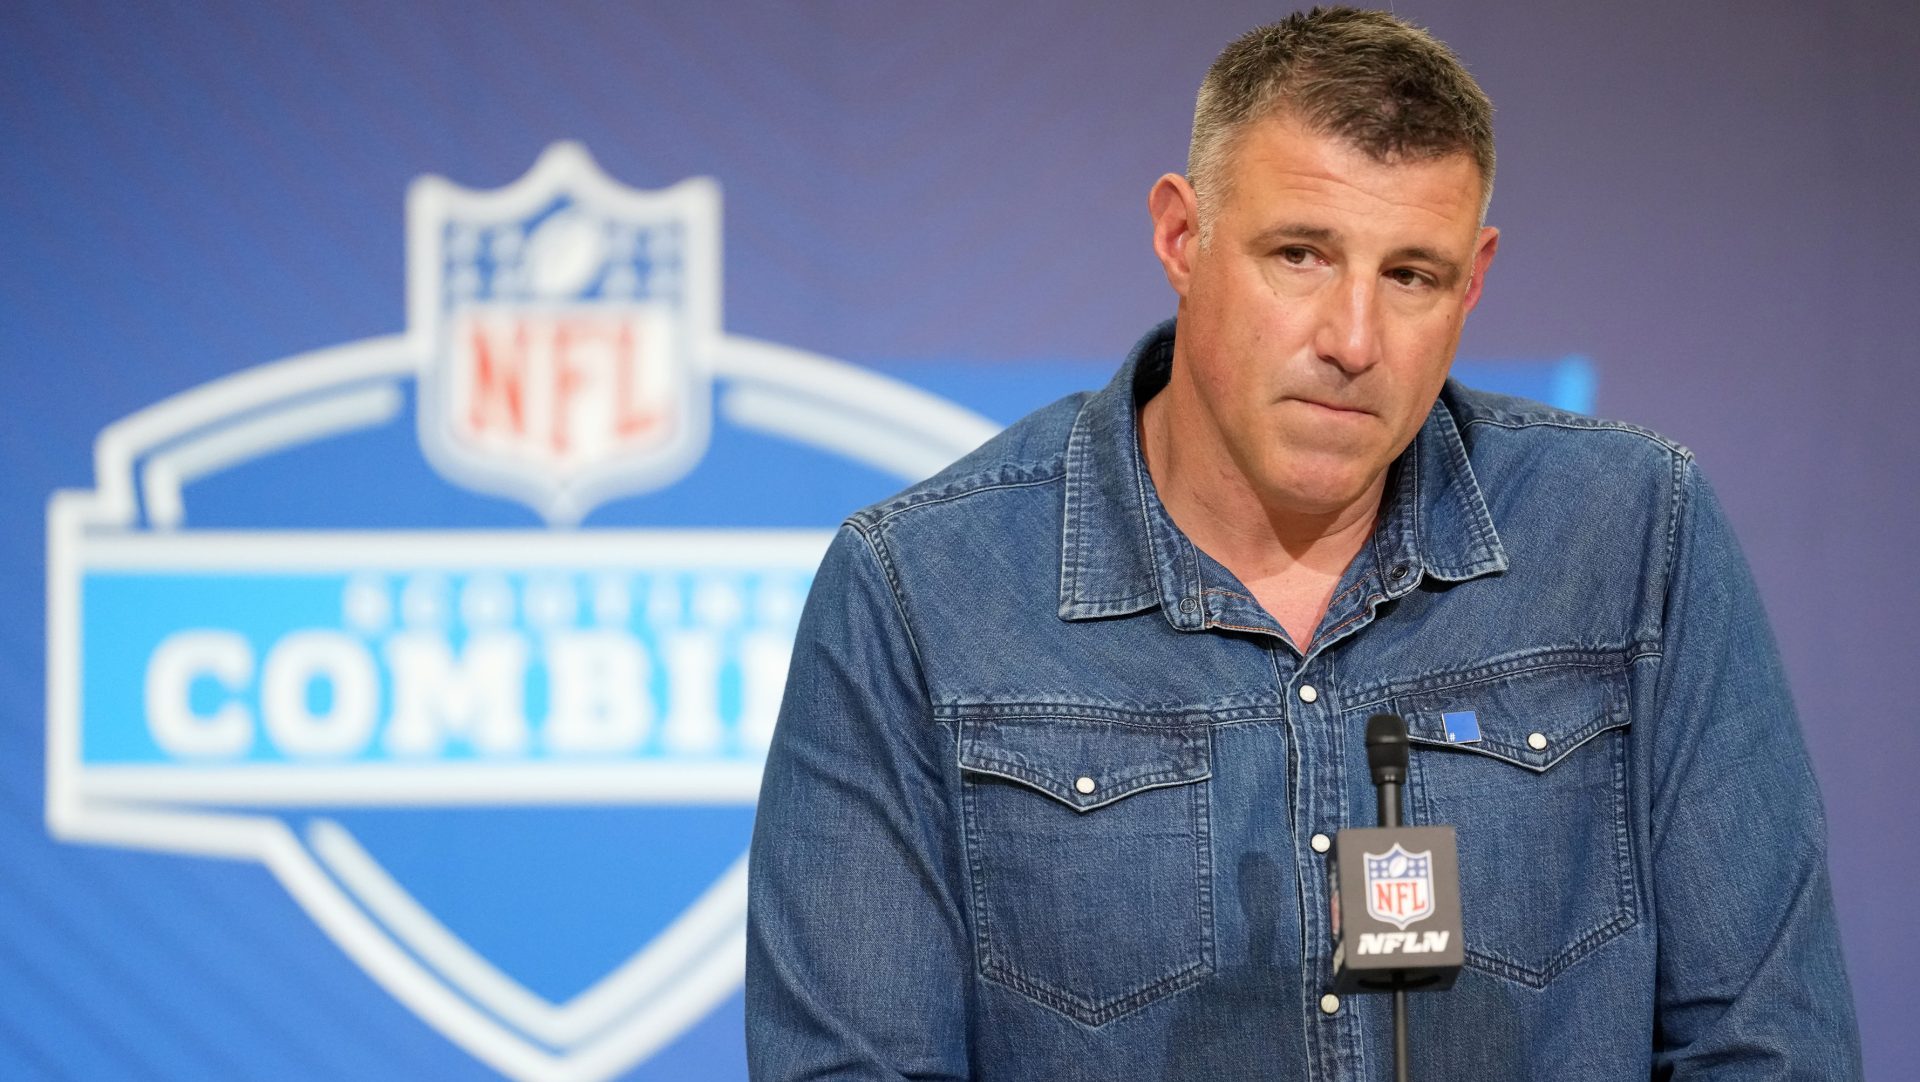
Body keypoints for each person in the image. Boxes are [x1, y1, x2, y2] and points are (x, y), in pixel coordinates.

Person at [745, 8, 1862, 1079]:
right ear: (1182, 237)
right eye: (1300, 255)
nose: (1353, 340)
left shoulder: (1632, 536)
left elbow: (1767, 1044)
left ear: (1472, 283)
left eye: (1411, 275)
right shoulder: (919, 591)